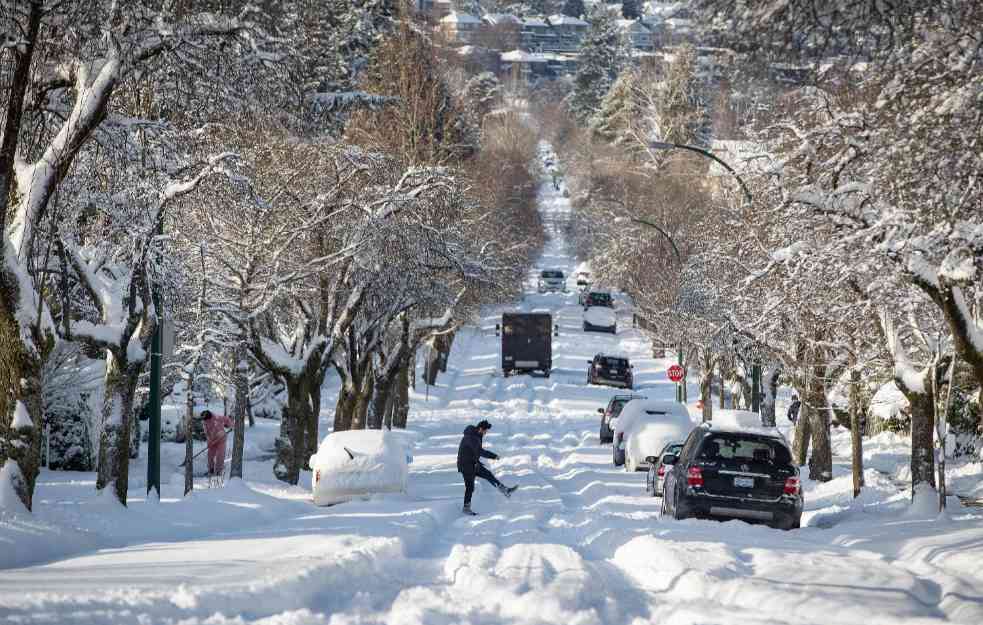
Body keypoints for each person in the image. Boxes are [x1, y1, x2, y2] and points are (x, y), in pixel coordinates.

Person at [456, 419, 517, 515]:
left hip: (473, 463)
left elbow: (476, 452)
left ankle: (505, 490)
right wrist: (494, 456)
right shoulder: (471, 437)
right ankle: (466, 508)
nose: (486, 433)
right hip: (466, 465)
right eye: (485, 431)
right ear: (480, 429)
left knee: (488, 474)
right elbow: (480, 451)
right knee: (470, 487)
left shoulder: (476, 435)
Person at [201, 410, 233, 477]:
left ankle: (218, 471)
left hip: (221, 439)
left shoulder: (217, 417)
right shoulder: (204, 422)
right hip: (212, 441)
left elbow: (226, 419)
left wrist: (230, 425)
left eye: (206, 419)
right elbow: (206, 432)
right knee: (210, 455)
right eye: (204, 420)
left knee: (220, 455)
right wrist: (209, 441)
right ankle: (211, 470)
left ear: (209, 416)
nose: (205, 421)